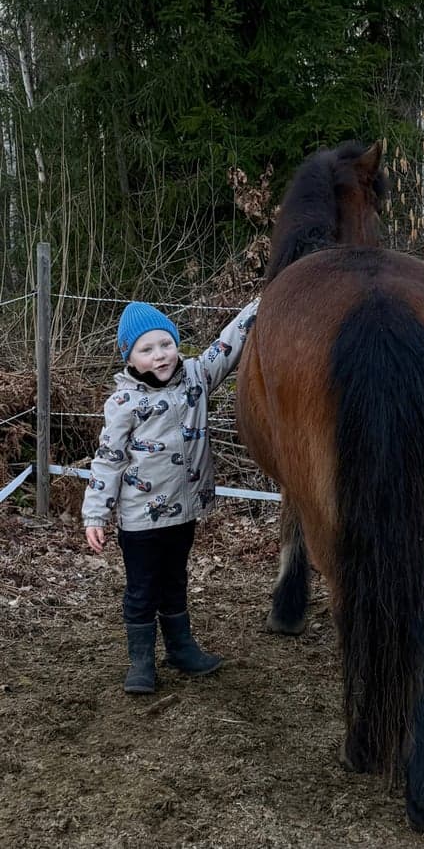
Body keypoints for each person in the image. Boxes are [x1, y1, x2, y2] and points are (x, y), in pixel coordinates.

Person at [82, 297, 259, 694]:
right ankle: (141, 662)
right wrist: (96, 514)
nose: (159, 355)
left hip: (183, 512)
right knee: (143, 588)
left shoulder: (196, 378)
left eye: (166, 344)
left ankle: (181, 648)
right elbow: (108, 460)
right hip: (140, 518)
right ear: (130, 358)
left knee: (175, 581)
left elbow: (226, 345)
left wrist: (259, 304)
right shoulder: (123, 402)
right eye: (146, 349)